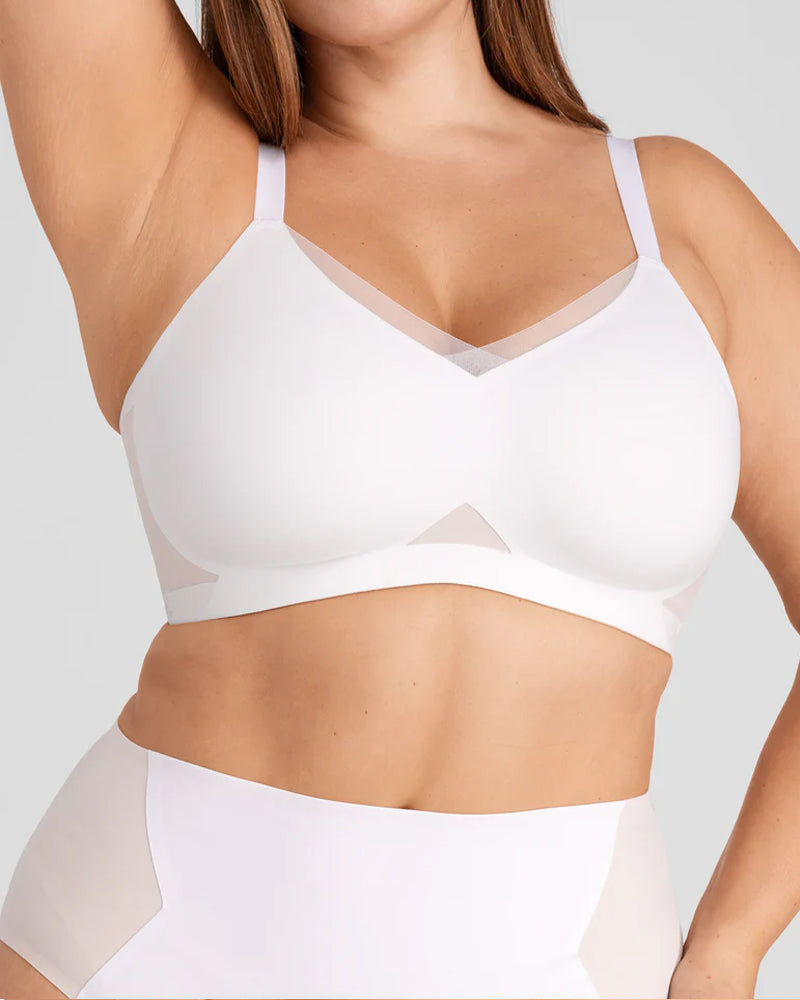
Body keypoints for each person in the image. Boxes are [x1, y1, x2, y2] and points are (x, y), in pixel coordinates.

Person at [1, 0, 799, 997]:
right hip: (151, 943)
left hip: (566, 964)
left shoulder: (681, 221)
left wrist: (730, 946)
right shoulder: (168, 170)